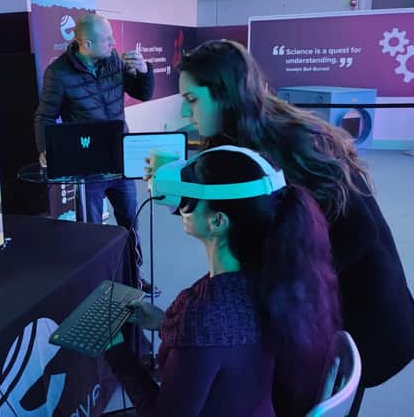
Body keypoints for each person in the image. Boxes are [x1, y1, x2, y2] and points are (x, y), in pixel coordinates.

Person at [154, 39, 414, 415]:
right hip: (321, 311)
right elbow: (230, 213)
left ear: (225, 96)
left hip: (361, 313)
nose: (183, 111)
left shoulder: (289, 145)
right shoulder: (247, 138)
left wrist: (274, 291)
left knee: (313, 396)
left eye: (192, 100)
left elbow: (359, 232)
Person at [105, 146, 341, 416]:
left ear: (218, 221)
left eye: (188, 200)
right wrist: (164, 323)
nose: (181, 207)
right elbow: (229, 348)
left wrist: (115, 349)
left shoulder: (205, 314)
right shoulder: (277, 279)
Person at [33, 14, 158, 295]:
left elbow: (143, 93)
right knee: (90, 232)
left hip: (120, 160)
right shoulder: (59, 72)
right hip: (87, 167)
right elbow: (45, 117)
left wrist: (144, 70)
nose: (114, 43)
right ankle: (96, 287)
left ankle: (134, 279)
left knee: (130, 223)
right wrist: (45, 150)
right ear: (86, 43)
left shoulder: (114, 60)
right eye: (107, 39)